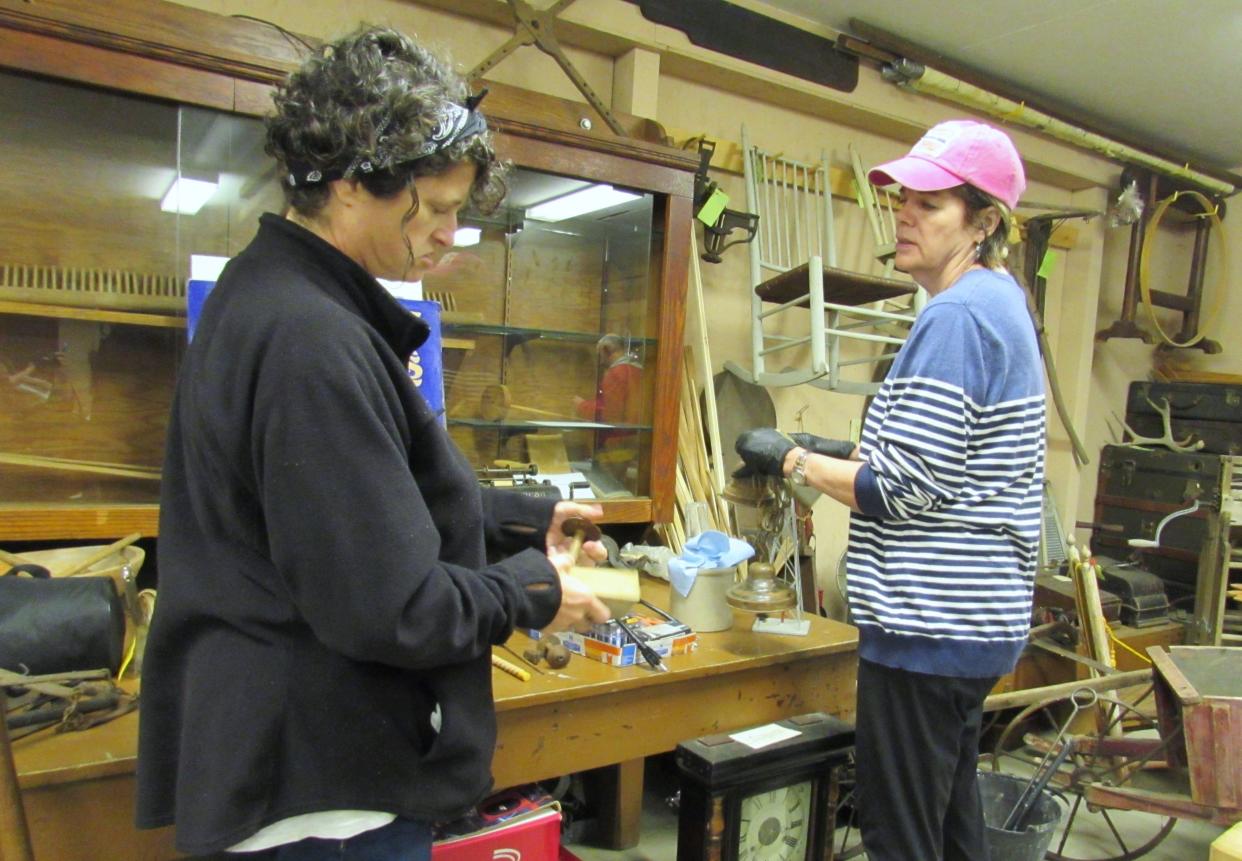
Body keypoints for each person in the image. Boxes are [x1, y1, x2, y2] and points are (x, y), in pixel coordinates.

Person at [135, 26, 611, 860]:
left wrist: (519, 518)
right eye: (434, 209)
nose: (448, 235)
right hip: (322, 799)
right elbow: (394, 609)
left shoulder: (277, 297)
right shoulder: (311, 340)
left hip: (299, 765)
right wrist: (533, 591)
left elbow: (357, 497)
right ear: (352, 183)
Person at [735, 120, 1045, 861]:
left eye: (930, 204)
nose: (904, 214)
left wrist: (793, 461)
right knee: (950, 825)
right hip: (973, 624)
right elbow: (949, 460)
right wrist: (846, 451)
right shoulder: (1001, 302)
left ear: (984, 221)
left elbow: (901, 489)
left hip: (928, 627)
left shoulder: (956, 315)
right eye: (904, 198)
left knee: (899, 835)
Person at [573, 334, 643, 478]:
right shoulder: (639, 370)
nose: (601, 361)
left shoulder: (616, 374)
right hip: (635, 437)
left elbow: (610, 414)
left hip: (617, 441)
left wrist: (582, 406)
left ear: (606, 350)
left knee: (611, 481)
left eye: (600, 356)